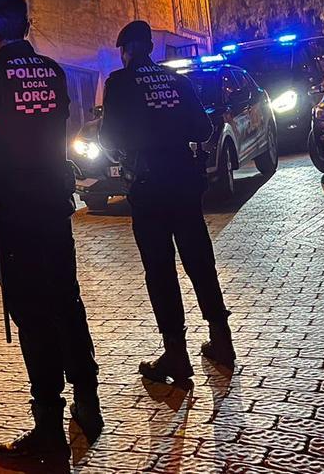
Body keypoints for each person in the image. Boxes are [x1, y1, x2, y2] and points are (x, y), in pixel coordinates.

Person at [0, 0, 102, 462]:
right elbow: (58, 120)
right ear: (28, 25)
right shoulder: (53, 72)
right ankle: (89, 404)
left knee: (32, 315)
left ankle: (49, 433)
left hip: (12, 209)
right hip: (54, 202)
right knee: (66, 300)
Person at [99, 20, 237, 383]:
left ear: (126, 51)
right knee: (199, 259)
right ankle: (221, 339)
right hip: (184, 181)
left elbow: (109, 136)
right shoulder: (178, 81)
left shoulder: (119, 83)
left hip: (148, 184)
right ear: (151, 48)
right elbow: (204, 130)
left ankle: (176, 352)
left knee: (160, 269)